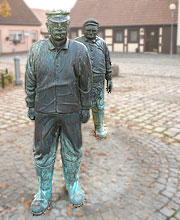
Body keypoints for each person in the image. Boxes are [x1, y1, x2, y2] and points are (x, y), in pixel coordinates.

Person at [25, 10, 92, 215]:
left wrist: (85, 106)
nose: (60, 30)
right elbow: (30, 79)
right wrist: (30, 104)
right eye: (56, 25)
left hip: (71, 110)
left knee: (72, 151)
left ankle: (72, 185)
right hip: (44, 111)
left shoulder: (79, 50)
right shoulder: (36, 50)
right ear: (48, 26)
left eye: (64, 25)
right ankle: (43, 191)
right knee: (43, 153)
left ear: (68, 26)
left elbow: (86, 81)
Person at [75, 19, 112, 138]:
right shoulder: (76, 43)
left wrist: (109, 78)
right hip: (81, 80)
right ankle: (75, 127)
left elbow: (107, 61)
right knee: (78, 104)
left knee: (99, 104)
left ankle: (99, 125)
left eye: (94, 30)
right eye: (88, 30)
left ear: (97, 31)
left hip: (98, 80)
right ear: (83, 30)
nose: (91, 32)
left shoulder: (102, 43)